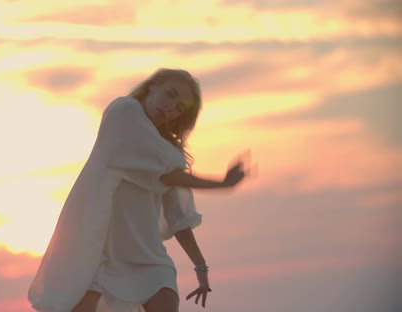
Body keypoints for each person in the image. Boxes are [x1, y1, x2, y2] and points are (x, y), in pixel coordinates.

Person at [29, 68, 251, 312]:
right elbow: (164, 174)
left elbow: (178, 217)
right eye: (170, 95)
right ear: (153, 85)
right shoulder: (123, 113)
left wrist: (200, 266)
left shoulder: (170, 153)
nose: (170, 108)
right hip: (98, 255)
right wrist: (222, 184)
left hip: (150, 259)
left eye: (179, 108)